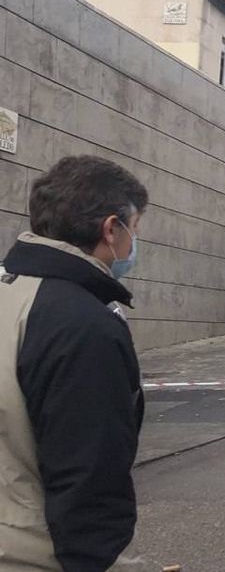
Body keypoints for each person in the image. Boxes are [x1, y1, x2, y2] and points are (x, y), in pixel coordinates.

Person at [0, 155, 149, 570]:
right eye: (134, 230)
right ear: (110, 229)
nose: (134, 244)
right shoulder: (82, 325)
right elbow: (88, 479)